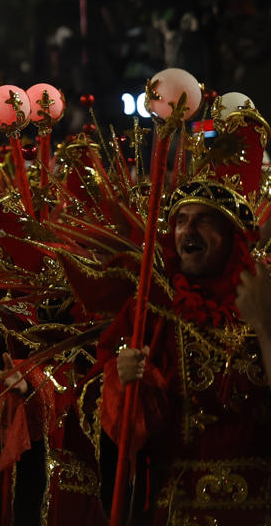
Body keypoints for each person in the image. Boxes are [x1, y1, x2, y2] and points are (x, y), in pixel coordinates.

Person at [97, 180, 270, 524]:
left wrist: (264, 325)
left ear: (233, 237)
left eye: (204, 220)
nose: (188, 229)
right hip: (179, 509)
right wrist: (122, 380)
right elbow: (96, 406)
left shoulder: (263, 300)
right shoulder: (151, 309)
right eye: (181, 220)